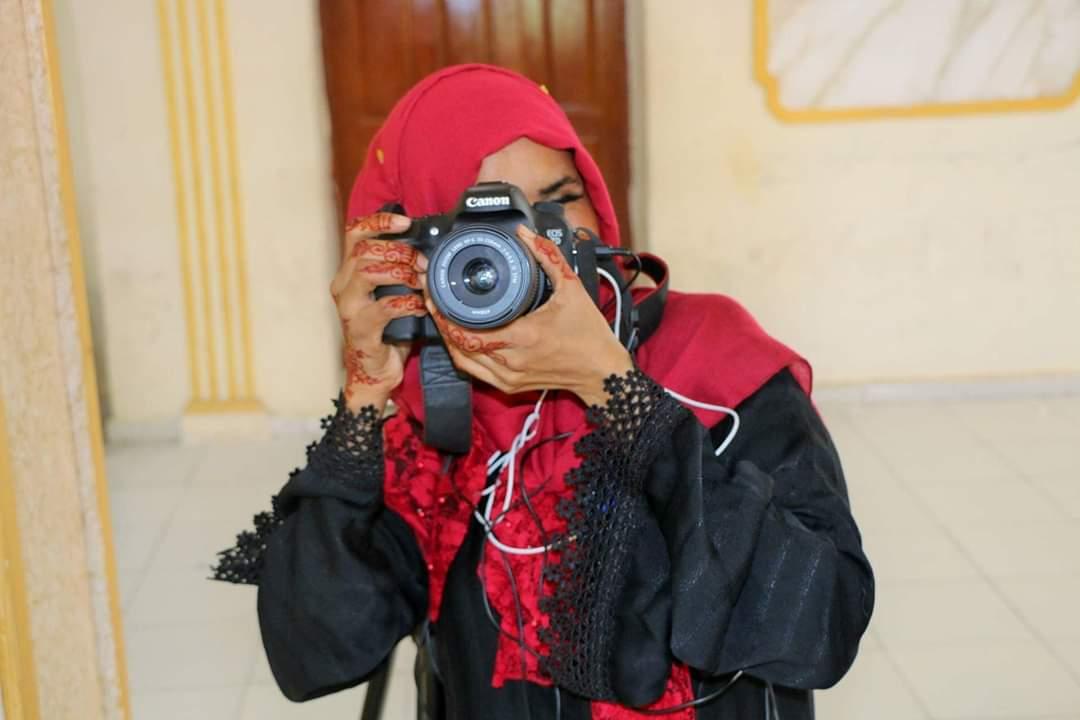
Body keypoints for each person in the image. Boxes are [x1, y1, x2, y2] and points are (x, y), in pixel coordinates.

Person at [213, 64, 874, 720]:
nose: (531, 247)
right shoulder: (431, 422)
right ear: (416, 254)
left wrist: (616, 391)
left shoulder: (713, 357)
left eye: (558, 199)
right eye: (488, 228)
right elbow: (316, 655)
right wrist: (365, 393)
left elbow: (823, 618)